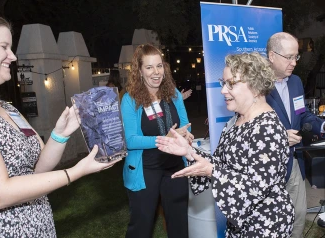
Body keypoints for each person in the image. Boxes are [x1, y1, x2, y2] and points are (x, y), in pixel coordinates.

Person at [0, 9, 120, 237]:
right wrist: (75, 172)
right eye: (3, 47)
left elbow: (38, 169)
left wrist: (60, 134)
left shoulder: (8, 108)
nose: (13, 56)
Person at [156, 52, 295, 237]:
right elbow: (222, 164)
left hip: (265, 225)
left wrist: (212, 171)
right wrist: (189, 151)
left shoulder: (267, 128)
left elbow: (256, 188)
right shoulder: (239, 118)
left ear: (255, 87)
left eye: (231, 83)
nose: (223, 90)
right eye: (224, 82)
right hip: (241, 222)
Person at [121, 43, 193, 238]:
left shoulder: (174, 94)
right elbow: (131, 140)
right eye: (149, 67)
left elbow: (185, 123)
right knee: (141, 227)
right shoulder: (130, 99)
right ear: (140, 71)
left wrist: (187, 134)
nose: (156, 72)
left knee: (179, 225)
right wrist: (164, 140)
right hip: (146, 170)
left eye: (159, 66)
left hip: (175, 168)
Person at [266, 32, 325, 238]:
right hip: (268, 167)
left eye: (296, 57)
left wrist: (322, 126)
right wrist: (280, 136)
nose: (294, 63)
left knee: (298, 215)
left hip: (294, 162)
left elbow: (303, 116)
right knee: (272, 222)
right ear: (272, 56)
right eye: (288, 57)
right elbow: (248, 127)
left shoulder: (296, 82)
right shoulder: (257, 85)